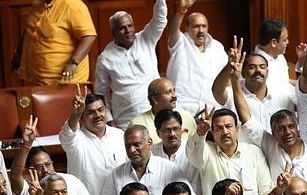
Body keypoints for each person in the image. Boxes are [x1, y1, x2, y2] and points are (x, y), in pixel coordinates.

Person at [229, 49, 307, 183]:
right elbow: (245, 117)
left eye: (291, 126)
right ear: (272, 133)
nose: (287, 132)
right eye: (280, 129)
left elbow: (306, 87)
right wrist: (235, 82)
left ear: (298, 128)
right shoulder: (270, 145)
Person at [59, 89, 127, 195]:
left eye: (100, 110)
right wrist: (76, 113)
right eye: (90, 112)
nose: (97, 115)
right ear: (82, 117)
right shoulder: (76, 141)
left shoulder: (120, 136)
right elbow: (67, 134)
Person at [94, 0, 168, 128]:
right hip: (126, 117)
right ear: (114, 34)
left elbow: (160, 19)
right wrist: (109, 120)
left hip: (155, 112)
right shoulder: (105, 58)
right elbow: (101, 92)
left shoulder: (146, 39)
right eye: (122, 28)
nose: (128, 30)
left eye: (130, 26)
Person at [9, 119, 96, 195]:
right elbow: (14, 175)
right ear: (30, 170)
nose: (45, 170)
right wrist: (26, 145)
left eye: (48, 164)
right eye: (39, 167)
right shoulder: (29, 188)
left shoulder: (72, 180)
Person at [186, 108, 272, 195]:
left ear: (237, 129)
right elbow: (193, 152)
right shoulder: (206, 151)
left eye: (228, 126)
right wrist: (200, 133)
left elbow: (265, 189)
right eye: (219, 128)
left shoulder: (254, 152)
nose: (225, 132)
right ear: (212, 132)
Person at [99, 125, 185, 195]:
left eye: (136, 145)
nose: (132, 150)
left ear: (149, 142)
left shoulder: (170, 169)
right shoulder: (116, 174)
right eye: (128, 146)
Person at [213, 47, 295, 144]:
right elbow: (217, 90)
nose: (258, 71)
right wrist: (230, 65)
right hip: (245, 154)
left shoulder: (282, 95)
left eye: (262, 67)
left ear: (267, 73)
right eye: (252, 67)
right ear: (243, 73)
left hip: (275, 152)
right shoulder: (233, 93)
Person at [13, 0, 96, 86]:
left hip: (63, 82)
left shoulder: (73, 5)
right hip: (36, 79)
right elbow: (29, 30)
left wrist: (73, 63)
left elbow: (89, 37)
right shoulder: (38, 3)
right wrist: (19, 54)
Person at [166, 0, 227, 113]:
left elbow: (226, 78)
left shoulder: (218, 47)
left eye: (204, 26)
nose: (201, 30)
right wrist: (180, 12)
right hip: (183, 107)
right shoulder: (180, 42)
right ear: (187, 28)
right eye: (196, 26)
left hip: (212, 107)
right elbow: (173, 30)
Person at [130, 78, 197, 143]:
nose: (174, 96)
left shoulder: (186, 117)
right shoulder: (138, 124)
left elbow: (196, 145)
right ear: (154, 99)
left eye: (174, 91)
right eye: (168, 92)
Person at [254, 18, 292, 92]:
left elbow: (283, 83)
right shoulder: (256, 65)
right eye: (285, 40)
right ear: (274, 42)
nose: (288, 42)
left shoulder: (280, 55)